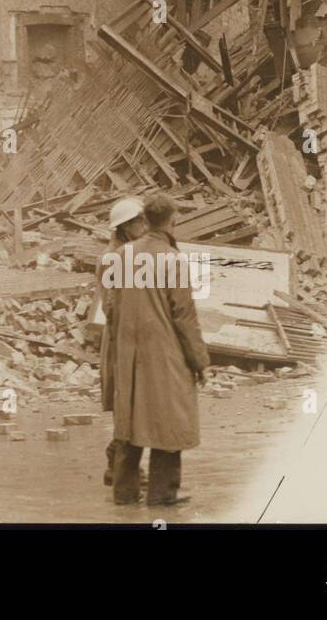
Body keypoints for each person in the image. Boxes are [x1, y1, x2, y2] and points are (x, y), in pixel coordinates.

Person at [108, 193, 210, 507]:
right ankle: (162, 493)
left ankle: (124, 492)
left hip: (128, 350)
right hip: (164, 351)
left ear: (145, 220)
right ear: (172, 220)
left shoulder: (123, 255)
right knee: (168, 418)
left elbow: (110, 306)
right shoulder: (173, 259)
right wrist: (200, 360)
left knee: (130, 416)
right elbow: (184, 315)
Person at [98, 196, 148, 487]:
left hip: (130, 338)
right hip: (121, 340)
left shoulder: (128, 253)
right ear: (125, 227)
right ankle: (118, 464)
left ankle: (118, 465)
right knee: (127, 404)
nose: (144, 226)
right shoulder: (114, 258)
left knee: (133, 405)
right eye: (139, 222)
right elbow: (110, 305)